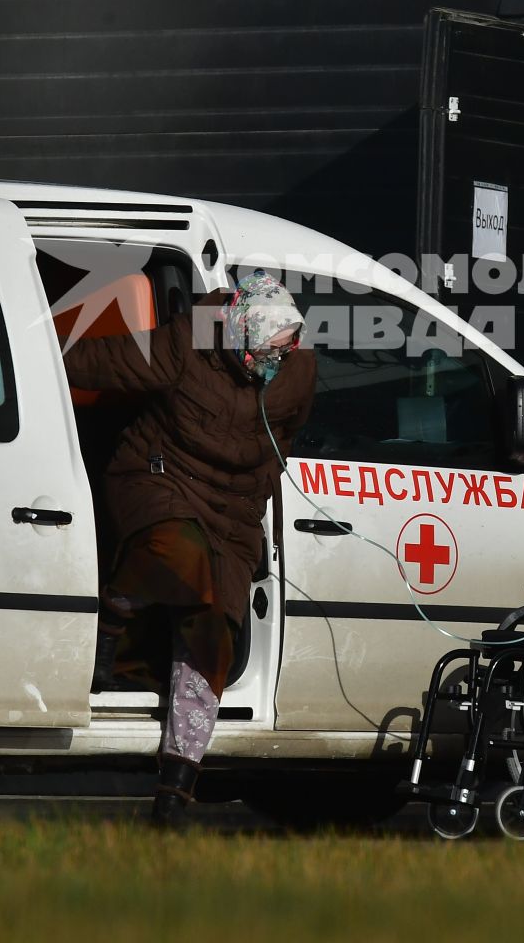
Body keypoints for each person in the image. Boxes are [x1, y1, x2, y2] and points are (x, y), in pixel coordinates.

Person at [63, 269, 316, 825]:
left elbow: (288, 435)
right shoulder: (189, 341)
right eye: (271, 348)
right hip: (160, 477)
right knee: (177, 555)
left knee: (213, 636)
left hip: (233, 513)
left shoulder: (299, 369)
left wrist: (260, 512)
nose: (282, 357)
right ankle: (112, 628)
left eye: (289, 346)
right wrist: (31, 352)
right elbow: (104, 363)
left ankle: (175, 790)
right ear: (240, 333)